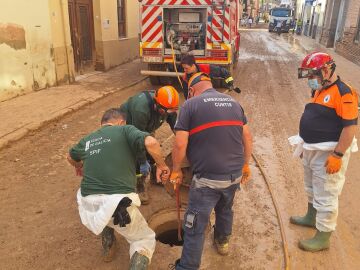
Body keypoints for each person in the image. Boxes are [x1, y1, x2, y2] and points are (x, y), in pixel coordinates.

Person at [67, 108, 170, 269]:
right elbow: (151, 142)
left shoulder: (87, 139)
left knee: (106, 214)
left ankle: (108, 246)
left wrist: (79, 165)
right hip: (115, 202)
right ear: (121, 122)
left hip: (88, 203)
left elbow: (70, 156)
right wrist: (162, 166)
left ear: (102, 124)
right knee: (143, 239)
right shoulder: (124, 129)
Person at [169, 72, 253, 269]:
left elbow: (180, 143)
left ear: (191, 91)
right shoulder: (234, 103)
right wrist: (246, 164)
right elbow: (247, 137)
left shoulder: (190, 105)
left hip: (208, 180)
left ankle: (187, 267)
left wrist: (176, 170)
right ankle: (222, 242)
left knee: (195, 224)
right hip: (233, 176)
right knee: (224, 209)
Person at [290, 52, 358, 252]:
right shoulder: (320, 90)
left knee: (327, 193)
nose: (310, 80)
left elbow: (350, 127)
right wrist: (304, 144)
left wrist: (337, 155)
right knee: (311, 187)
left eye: (313, 75)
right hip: (313, 151)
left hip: (329, 154)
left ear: (326, 70)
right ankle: (311, 217)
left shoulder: (344, 92)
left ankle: (323, 236)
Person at [119, 86, 179, 204]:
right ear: (156, 104)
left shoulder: (168, 107)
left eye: (171, 111)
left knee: (153, 150)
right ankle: (139, 185)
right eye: (165, 111)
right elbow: (138, 141)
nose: (168, 113)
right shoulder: (141, 110)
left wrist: (182, 140)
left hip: (148, 123)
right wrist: (142, 161)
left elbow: (176, 127)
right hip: (131, 124)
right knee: (138, 155)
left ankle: (154, 176)